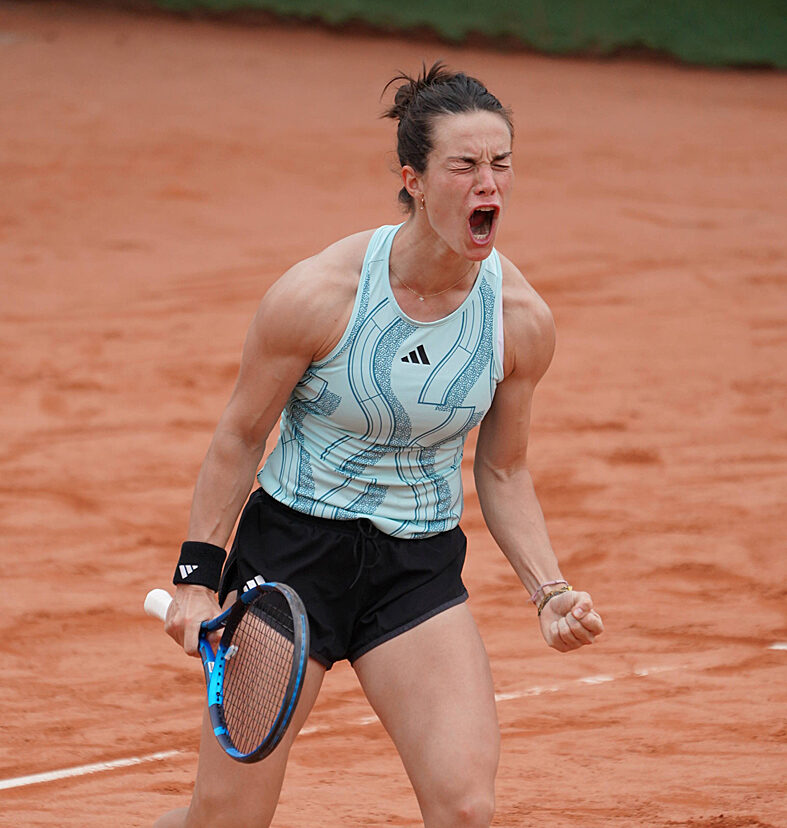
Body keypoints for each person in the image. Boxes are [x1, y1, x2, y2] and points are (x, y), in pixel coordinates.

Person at [155, 61, 603, 828]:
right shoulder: (319, 295)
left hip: (413, 570)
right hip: (288, 567)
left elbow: (503, 469)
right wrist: (197, 579)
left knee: (466, 809)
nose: (488, 184)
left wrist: (548, 589)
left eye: (500, 163)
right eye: (464, 165)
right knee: (225, 820)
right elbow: (240, 435)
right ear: (413, 181)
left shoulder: (518, 319)